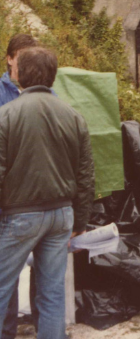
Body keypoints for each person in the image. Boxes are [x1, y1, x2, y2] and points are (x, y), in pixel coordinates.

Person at [0, 47, 95, 339]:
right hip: (61, 216)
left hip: (19, 216)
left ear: (19, 73)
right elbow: (85, 176)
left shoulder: (6, 115)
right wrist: (80, 221)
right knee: (52, 294)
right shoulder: (74, 116)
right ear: (53, 76)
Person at [1, 34, 41, 339]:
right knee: (7, 271)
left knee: (45, 268)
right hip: (10, 197)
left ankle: (44, 326)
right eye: (23, 58)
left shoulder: (45, 92)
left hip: (39, 193)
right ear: (10, 59)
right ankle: (8, 329)